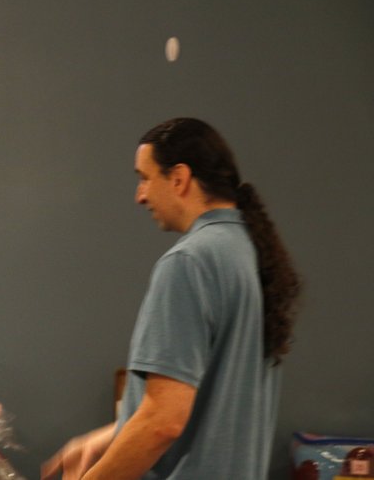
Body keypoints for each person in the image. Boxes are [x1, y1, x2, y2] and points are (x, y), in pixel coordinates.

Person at [42, 117, 301, 479]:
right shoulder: (251, 251)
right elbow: (207, 408)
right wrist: (111, 437)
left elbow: (163, 422)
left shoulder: (189, 262)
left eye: (145, 178)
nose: (140, 196)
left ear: (179, 178)